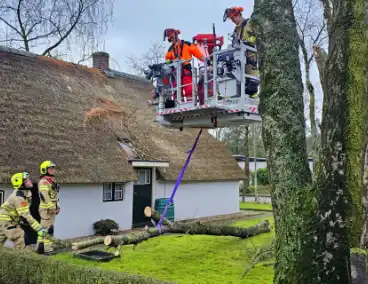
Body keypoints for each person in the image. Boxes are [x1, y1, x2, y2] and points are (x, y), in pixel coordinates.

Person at [0, 172, 46, 249]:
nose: (30, 180)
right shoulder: (19, 198)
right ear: (21, 184)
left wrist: (24, 220)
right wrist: (38, 228)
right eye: (27, 180)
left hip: (5, 220)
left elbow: (23, 213)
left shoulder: (25, 193)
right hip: (7, 221)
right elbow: (25, 215)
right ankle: (20, 257)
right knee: (19, 235)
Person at [223, 6, 259, 98]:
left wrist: (249, 41)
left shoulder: (249, 24)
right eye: (231, 19)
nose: (232, 20)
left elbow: (259, 37)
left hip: (250, 59)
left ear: (238, 15)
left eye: (233, 18)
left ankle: (255, 102)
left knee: (252, 86)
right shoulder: (236, 30)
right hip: (239, 61)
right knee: (239, 85)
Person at [164, 28, 207, 102]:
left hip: (185, 70)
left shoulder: (186, 44)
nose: (171, 39)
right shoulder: (170, 50)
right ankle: (178, 104)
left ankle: (191, 103)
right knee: (176, 92)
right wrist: (171, 61)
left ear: (176, 34)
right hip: (175, 72)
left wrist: (207, 61)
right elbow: (167, 60)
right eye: (170, 38)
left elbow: (198, 54)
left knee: (189, 89)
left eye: (172, 36)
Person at [37, 160, 60, 253]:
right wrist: (51, 207)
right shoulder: (43, 182)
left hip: (52, 209)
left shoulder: (52, 181)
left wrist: (58, 206)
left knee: (46, 228)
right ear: (44, 169)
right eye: (50, 168)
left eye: (53, 168)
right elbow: (44, 196)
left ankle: (40, 248)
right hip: (46, 209)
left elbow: (55, 196)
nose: (52, 169)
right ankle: (47, 248)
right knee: (47, 229)